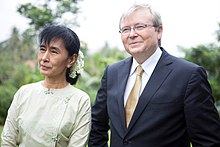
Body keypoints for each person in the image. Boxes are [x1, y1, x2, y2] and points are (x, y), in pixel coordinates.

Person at [88, 3, 220, 147]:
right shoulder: (112, 73)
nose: (132, 34)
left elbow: (207, 141)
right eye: (125, 29)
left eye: (140, 27)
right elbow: (97, 127)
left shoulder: (188, 75)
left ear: (159, 31)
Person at [1, 24, 91, 147]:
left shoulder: (80, 101)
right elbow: (7, 141)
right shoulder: (24, 93)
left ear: (71, 60)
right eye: (42, 49)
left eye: (54, 51)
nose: (44, 58)